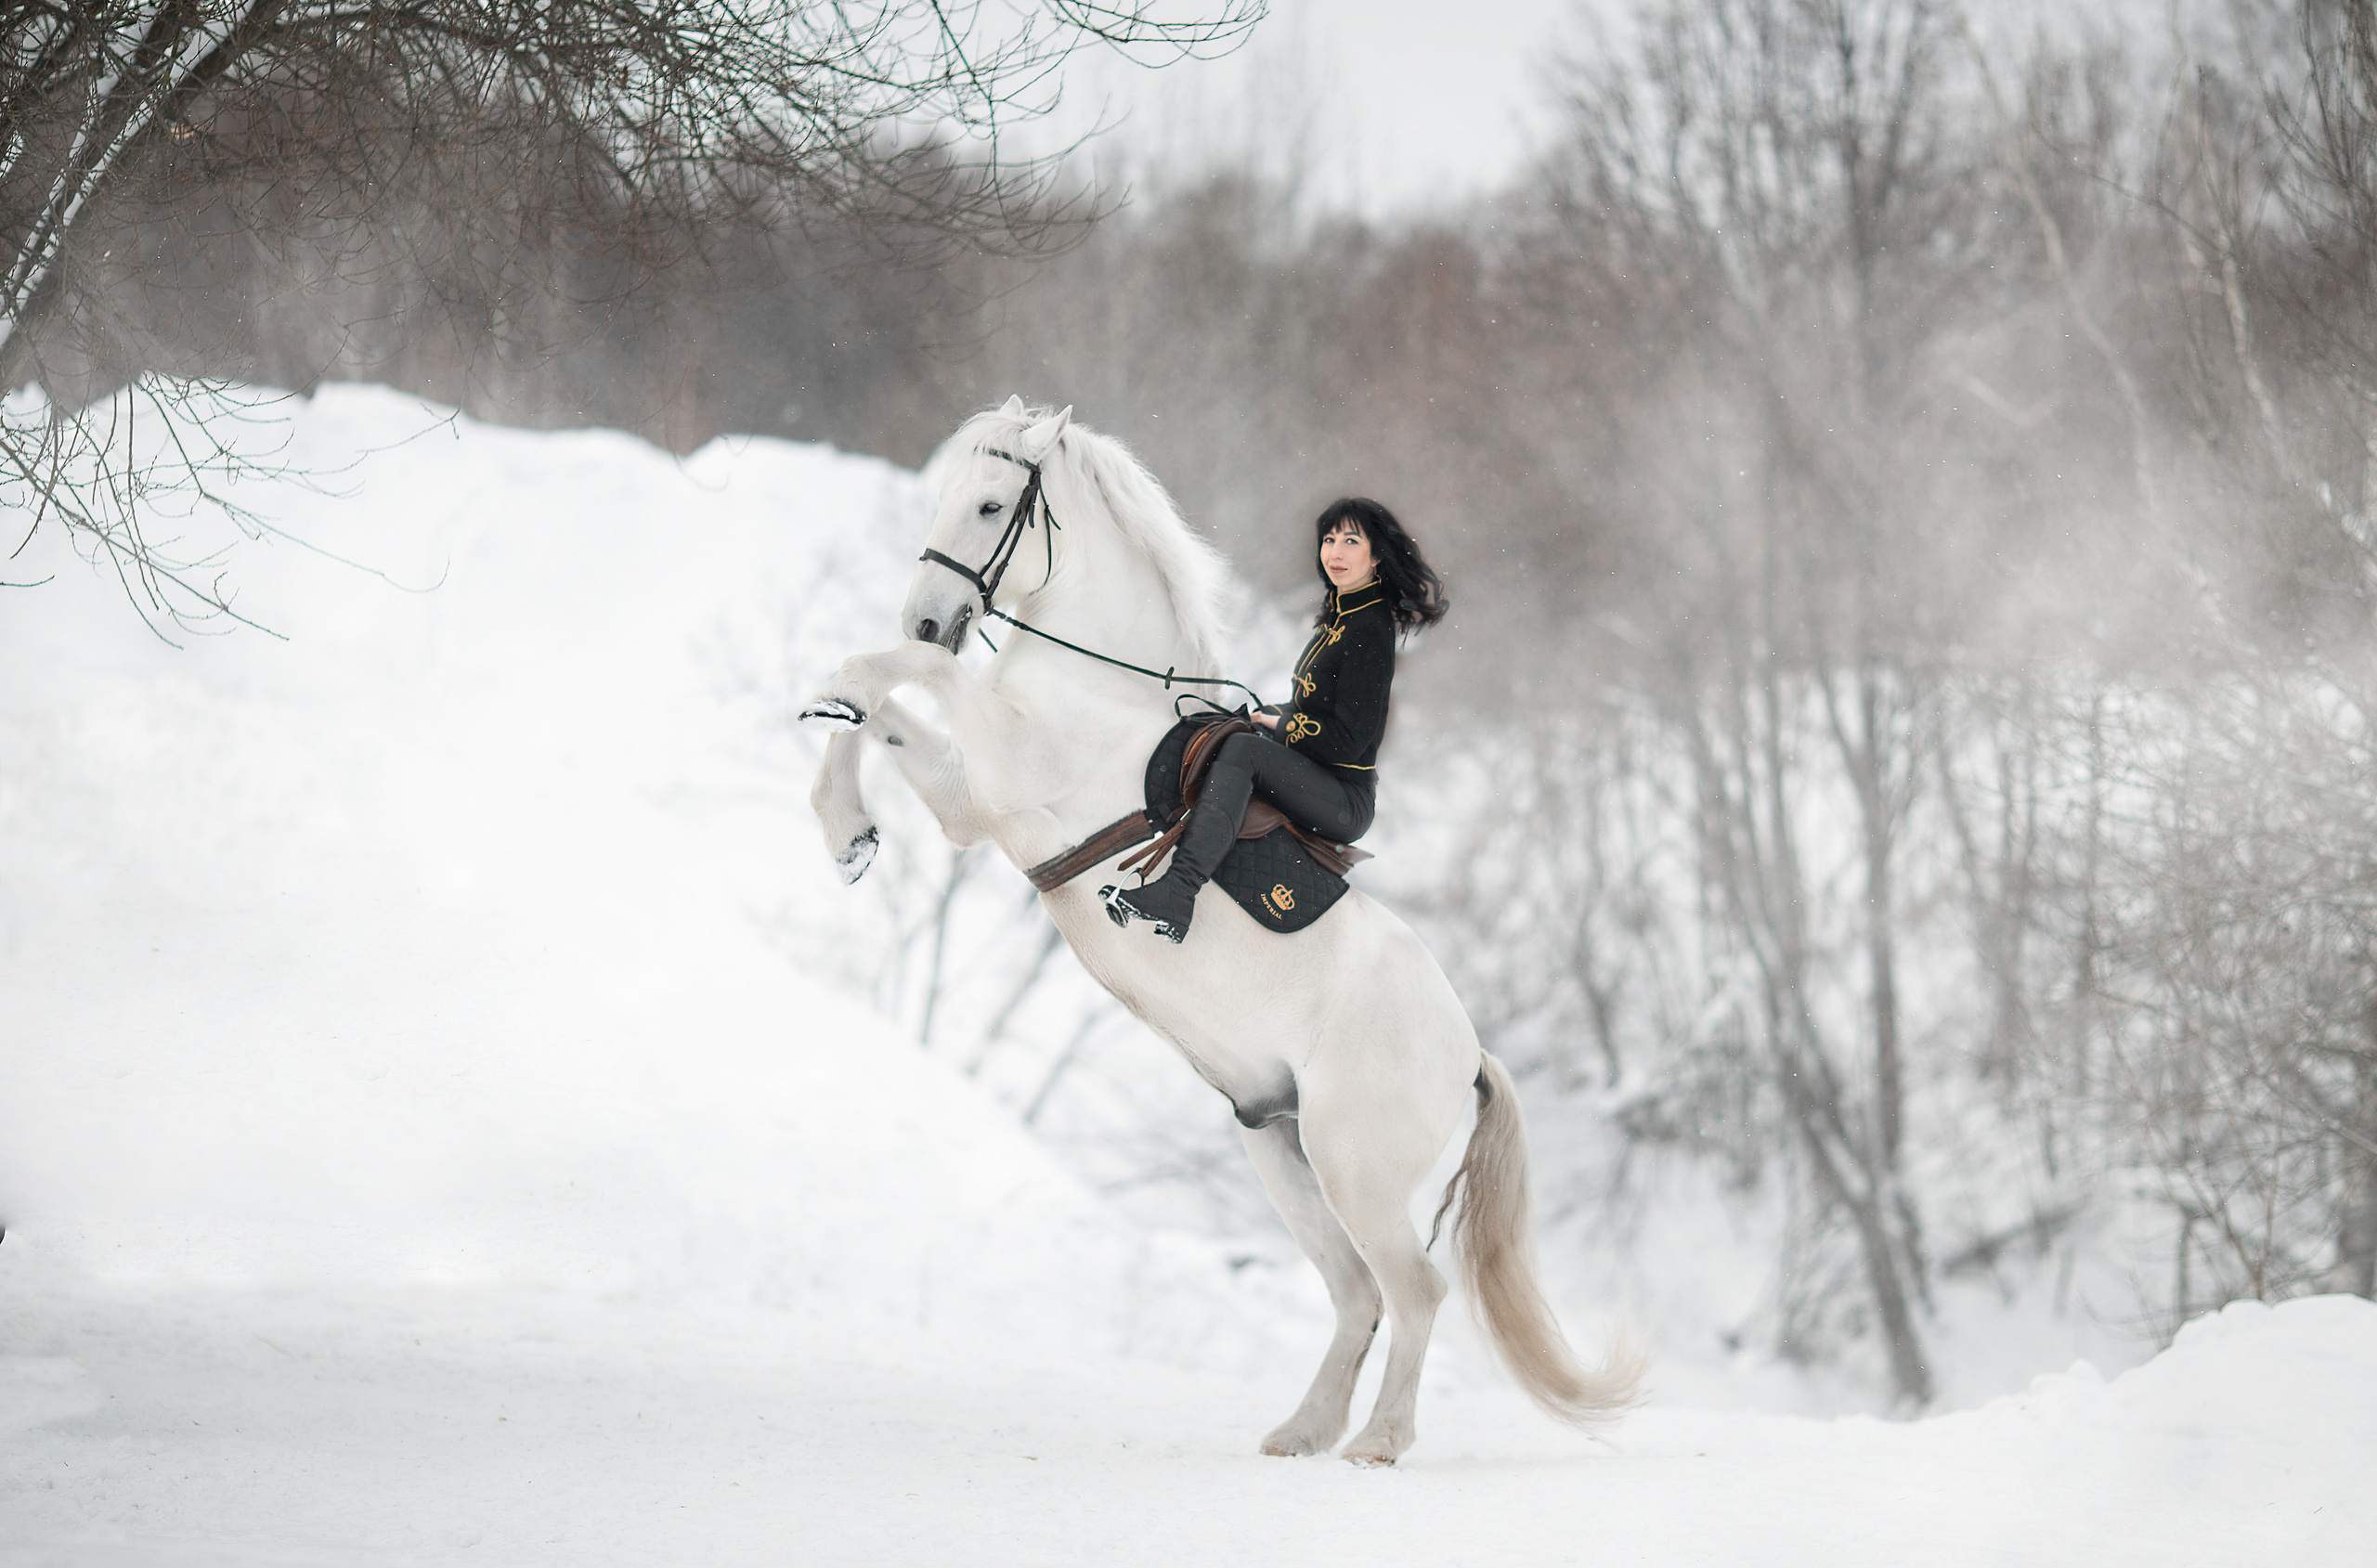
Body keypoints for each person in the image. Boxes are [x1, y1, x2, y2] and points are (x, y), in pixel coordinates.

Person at [1100, 497, 1449, 942]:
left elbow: (1348, 739)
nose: (1335, 552)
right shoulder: (1342, 615)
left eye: (1350, 541)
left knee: (1245, 750)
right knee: (1237, 731)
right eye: (1329, 540)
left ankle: (1179, 891)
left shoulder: (1370, 627)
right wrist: (1274, 714)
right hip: (1318, 773)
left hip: (1344, 796)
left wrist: (1281, 727)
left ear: (1377, 555)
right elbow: (1317, 708)